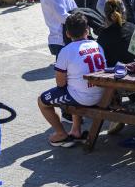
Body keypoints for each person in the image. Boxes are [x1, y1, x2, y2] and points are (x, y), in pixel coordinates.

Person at [38, 14, 105, 148]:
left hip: (84, 97)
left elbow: (60, 83)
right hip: (103, 94)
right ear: (87, 30)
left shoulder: (66, 51)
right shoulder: (97, 45)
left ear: (67, 33)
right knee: (73, 87)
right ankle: (75, 131)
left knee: (42, 101)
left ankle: (61, 134)